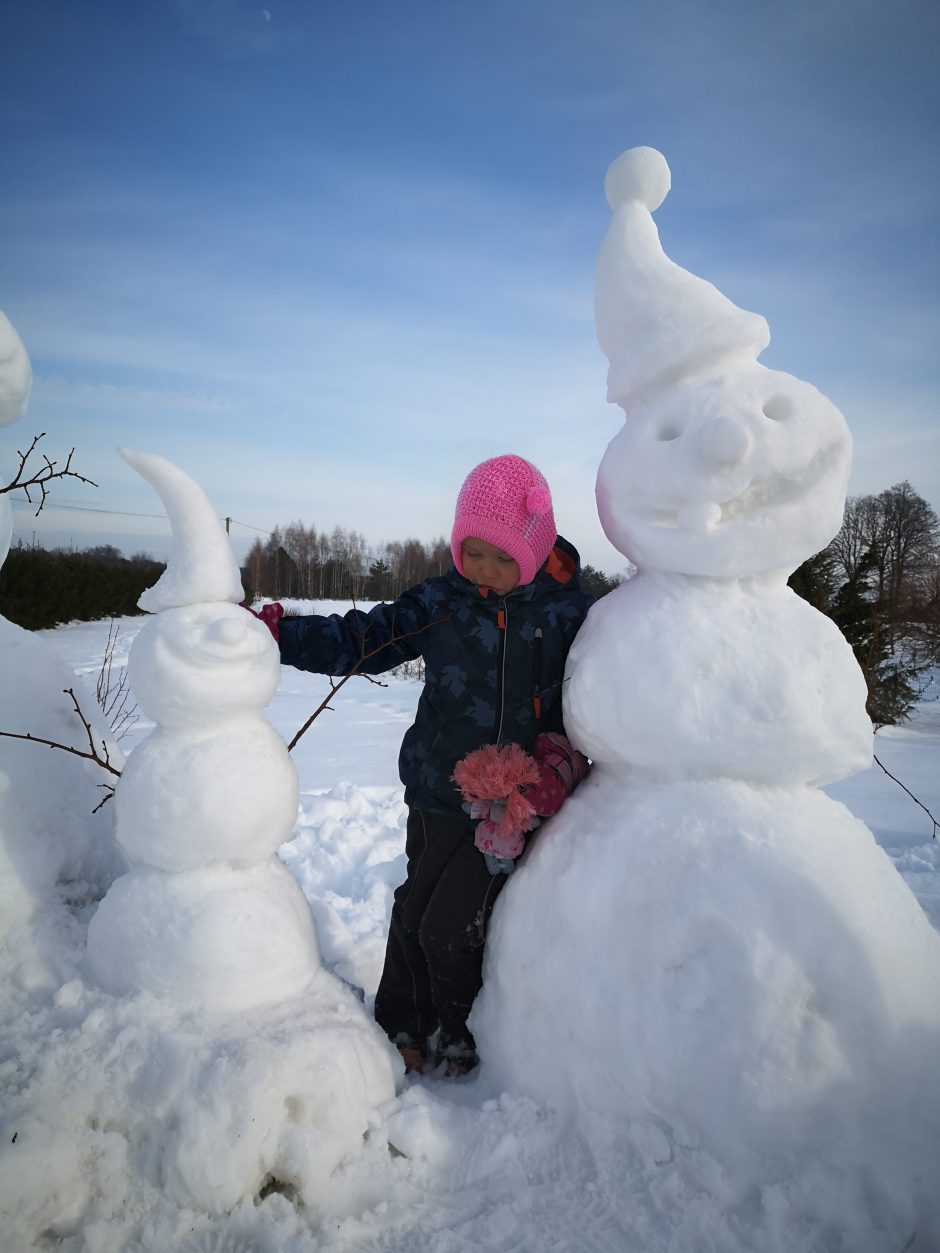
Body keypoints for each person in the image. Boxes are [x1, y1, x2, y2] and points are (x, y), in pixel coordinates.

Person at [253, 455, 592, 1076]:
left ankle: (458, 1026)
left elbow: (605, 688)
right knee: (413, 908)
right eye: (473, 553)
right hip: (436, 789)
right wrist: (281, 636)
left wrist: (562, 762)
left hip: (508, 803)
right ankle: (401, 1021)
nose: (485, 572)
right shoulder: (441, 601)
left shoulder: (568, 614)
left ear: (536, 547)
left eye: (501, 558)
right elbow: (366, 638)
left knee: (450, 922)